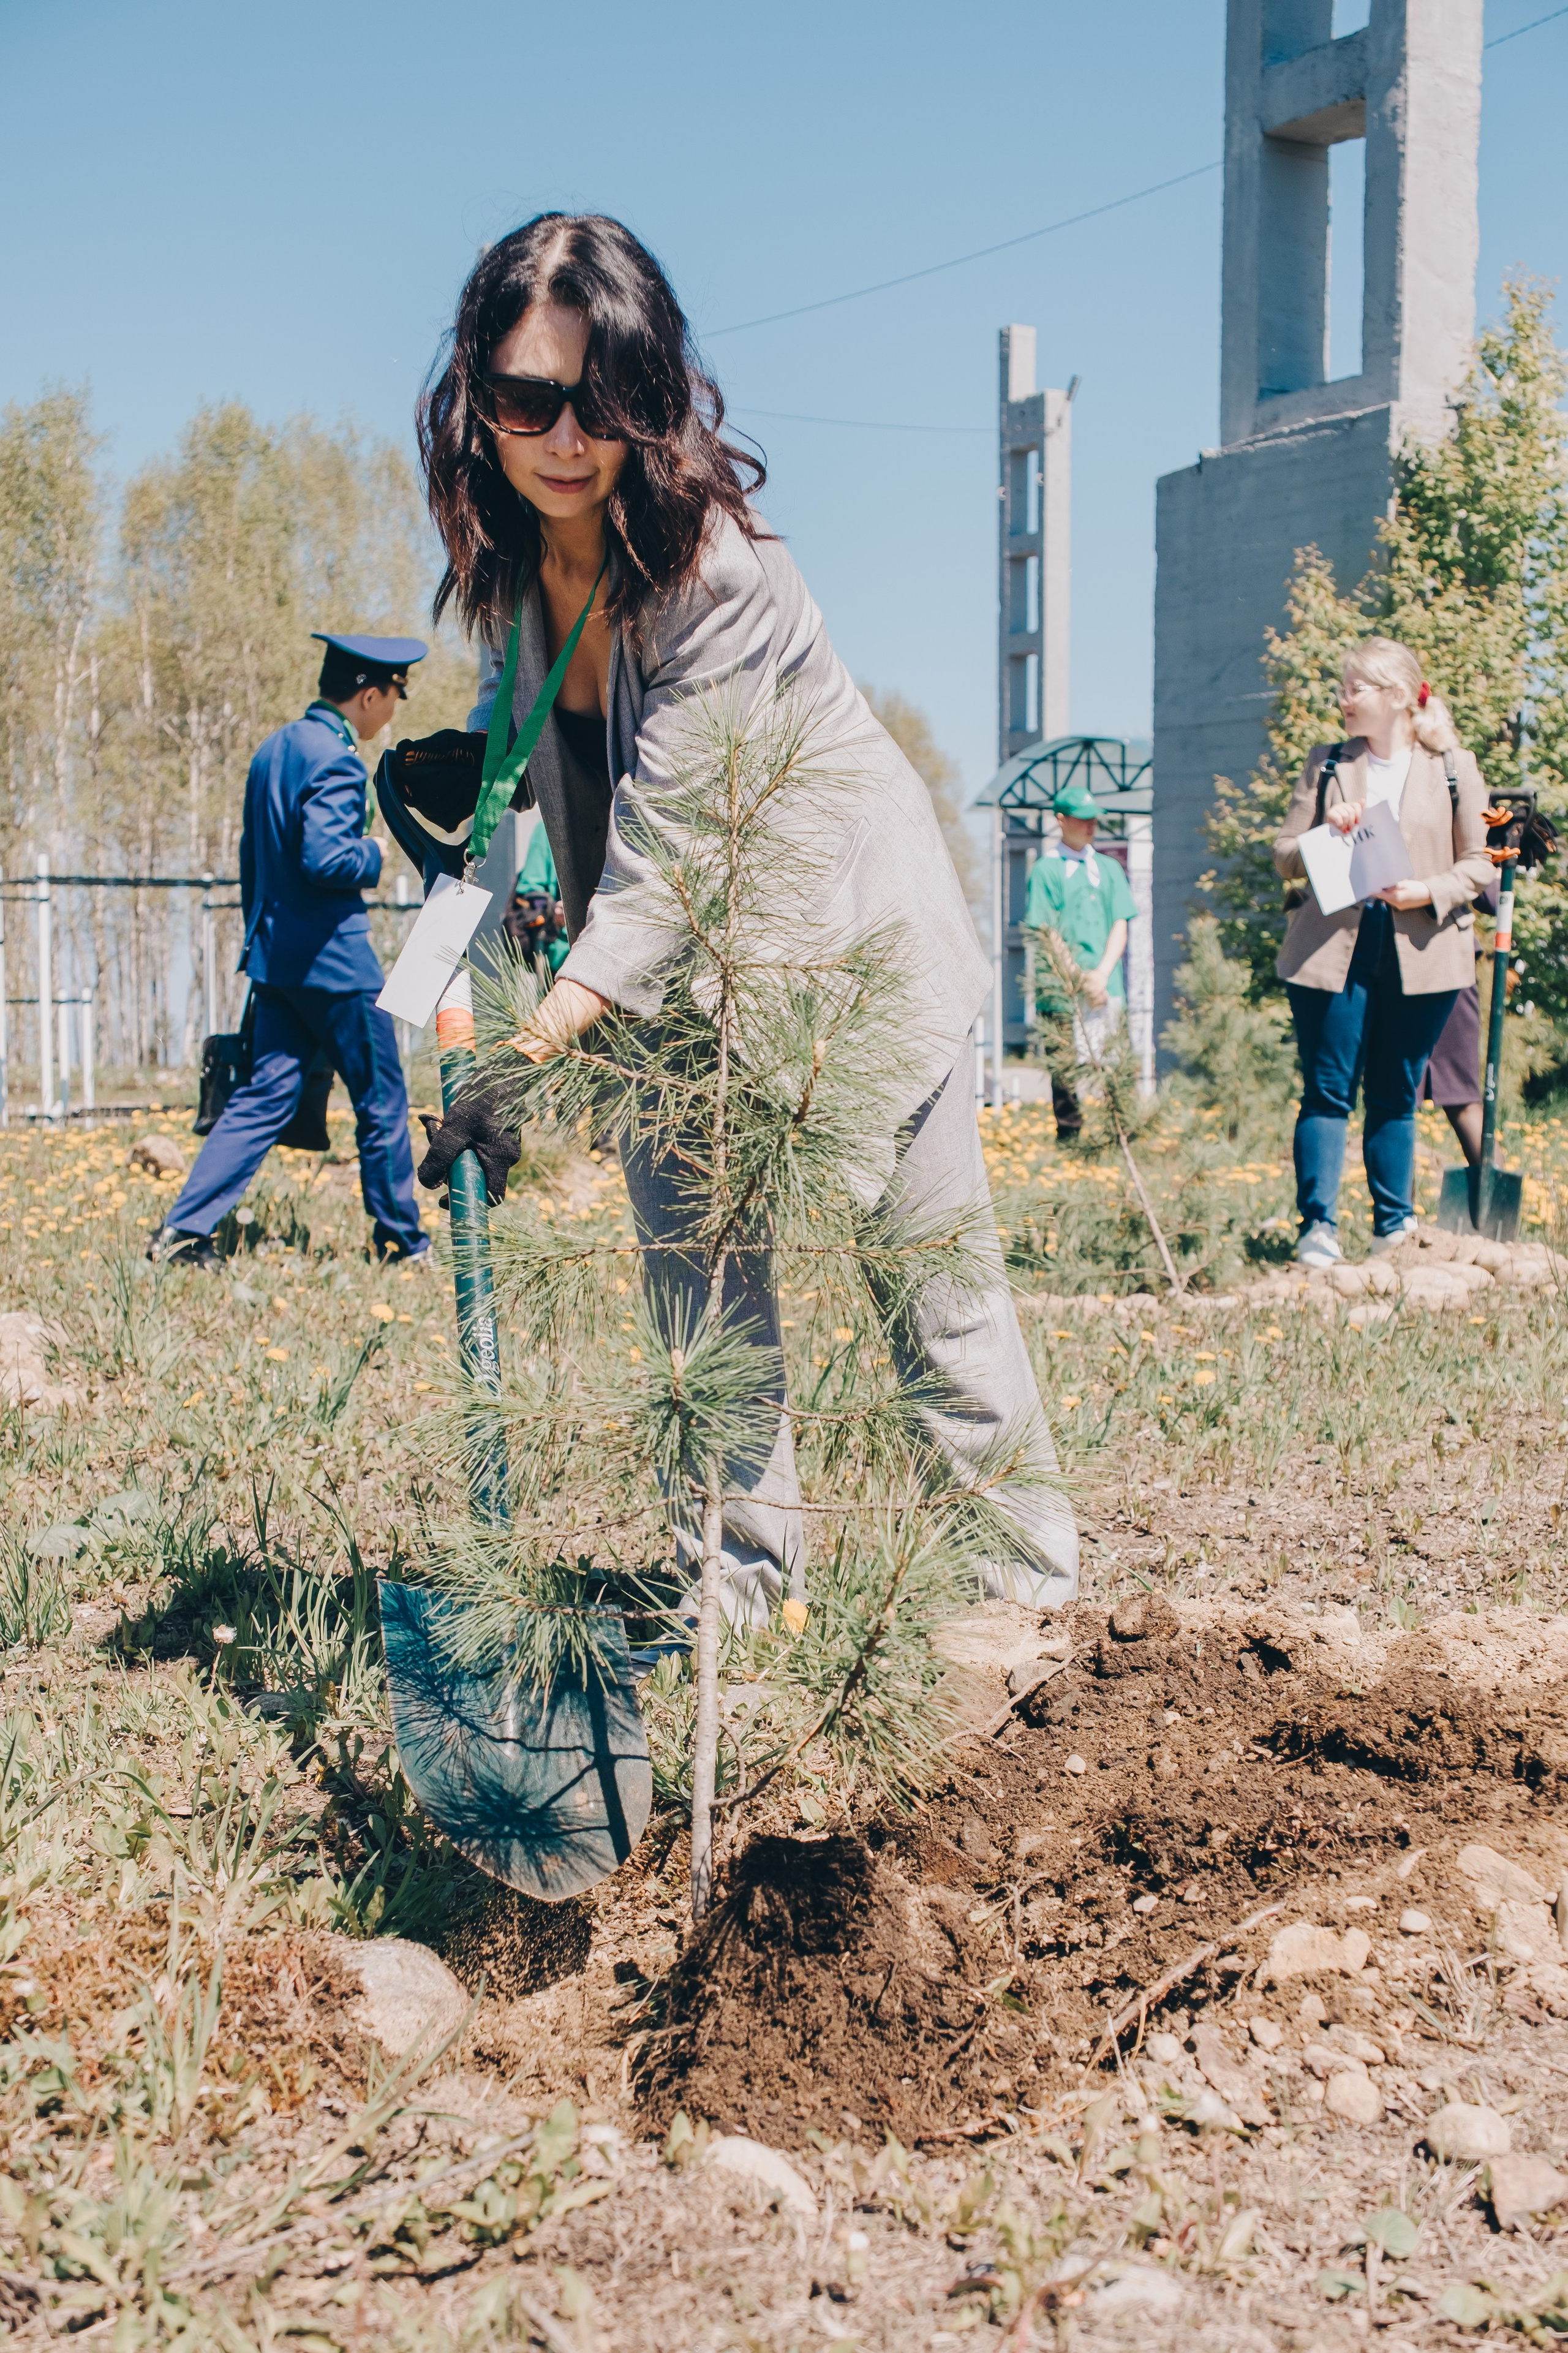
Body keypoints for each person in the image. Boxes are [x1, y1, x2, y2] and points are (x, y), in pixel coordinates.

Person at [398, 211, 1078, 1621]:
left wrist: (533, 1043)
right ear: (479, 400)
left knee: (933, 1295)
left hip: (845, 968)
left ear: (651, 396)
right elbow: (499, 811)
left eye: (601, 398)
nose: (565, 438)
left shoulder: (718, 577)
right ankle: (739, 1599)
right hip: (658, 1005)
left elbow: (667, 860)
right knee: (698, 1312)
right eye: (529, 399)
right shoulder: (514, 577)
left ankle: (1024, 1604)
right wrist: (448, 1011)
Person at [149, 633, 432, 1270]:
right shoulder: (336, 761)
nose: (393, 709)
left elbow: (255, 862)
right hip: (334, 965)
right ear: (369, 695)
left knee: (263, 1097)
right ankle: (402, 1242)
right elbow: (326, 857)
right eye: (394, 696)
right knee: (382, 1097)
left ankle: (183, 1231)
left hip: (276, 961)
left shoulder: (273, 750)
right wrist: (375, 855)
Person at [1274, 637, 1493, 1267]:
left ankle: (1392, 1228)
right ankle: (1317, 1228)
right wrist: (1325, 830)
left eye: (1354, 688)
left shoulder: (1453, 767)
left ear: (1396, 696)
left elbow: (1479, 861)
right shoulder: (1327, 765)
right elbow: (1284, 856)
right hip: (1332, 950)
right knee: (1327, 1090)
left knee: (1396, 1092)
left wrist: (1428, 888)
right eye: (1343, 688)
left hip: (1421, 948)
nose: (1342, 699)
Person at [1022, 782, 1136, 1140]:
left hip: (1107, 986)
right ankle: (1070, 1141)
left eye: (1094, 821)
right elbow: (1045, 930)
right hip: (1061, 989)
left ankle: (1121, 1138)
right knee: (1066, 1072)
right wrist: (1078, 978)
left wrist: (1101, 975)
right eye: (1081, 820)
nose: (1090, 827)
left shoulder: (1109, 869)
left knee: (1114, 1065)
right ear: (1061, 820)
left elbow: (1121, 922)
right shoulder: (1046, 870)